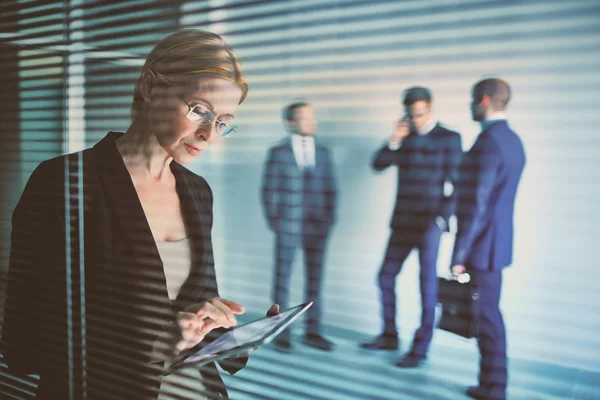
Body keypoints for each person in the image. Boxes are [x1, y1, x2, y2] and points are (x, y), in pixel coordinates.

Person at [2, 29, 276, 400]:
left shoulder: (197, 192)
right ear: (150, 87)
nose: (209, 134)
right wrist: (152, 346)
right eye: (199, 110)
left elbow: (192, 310)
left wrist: (228, 340)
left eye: (223, 121)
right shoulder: (63, 182)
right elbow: (25, 340)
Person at [361, 87, 463, 368]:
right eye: (412, 115)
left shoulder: (449, 138)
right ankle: (389, 335)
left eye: (421, 114)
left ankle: (420, 347)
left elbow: (458, 184)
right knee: (385, 276)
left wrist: (442, 219)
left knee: (426, 285)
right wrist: (394, 139)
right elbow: (378, 164)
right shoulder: (404, 137)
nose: (417, 120)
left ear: (430, 109)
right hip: (403, 220)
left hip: (430, 222)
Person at [451, 78, 526, 400]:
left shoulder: (488, 143)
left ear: (482, 100)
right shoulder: (512, 140)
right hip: (496, 243)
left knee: (488, 318)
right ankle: (491, 386)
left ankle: (493, 389)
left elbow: (478, 204)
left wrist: (459, 253)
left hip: (482, 246)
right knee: (489, 315)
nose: (470, 105)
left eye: (471, 100)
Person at [261, 102, 337, 352]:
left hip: (318, 226)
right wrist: (276, 221)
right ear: (291, 122)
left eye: (313, 117)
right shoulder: (278, 152)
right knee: (282, 279)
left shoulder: (324, 151)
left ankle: (313, 332)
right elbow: (268, 189)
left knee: (315, 280)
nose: (312, 122)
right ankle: (280, 331)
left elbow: (331, 188)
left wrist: (329, 220)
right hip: (288, 223)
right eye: (306, 118)